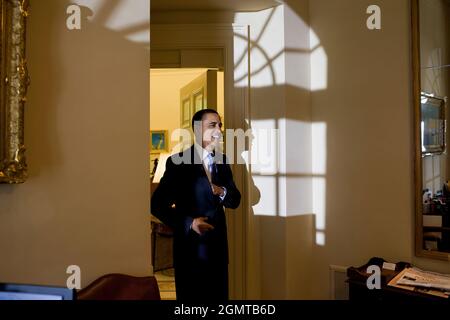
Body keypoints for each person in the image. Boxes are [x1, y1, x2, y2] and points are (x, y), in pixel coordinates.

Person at [151, 109, 241, 301]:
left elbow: (235, 200)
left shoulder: (222, 161)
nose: (219, 130)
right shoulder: (178, 163)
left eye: (220, 125)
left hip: (217, 252)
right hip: (190, 253)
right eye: (212, 125)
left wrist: (222, 191)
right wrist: (189, 223)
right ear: (198, 130)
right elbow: (157, 205)